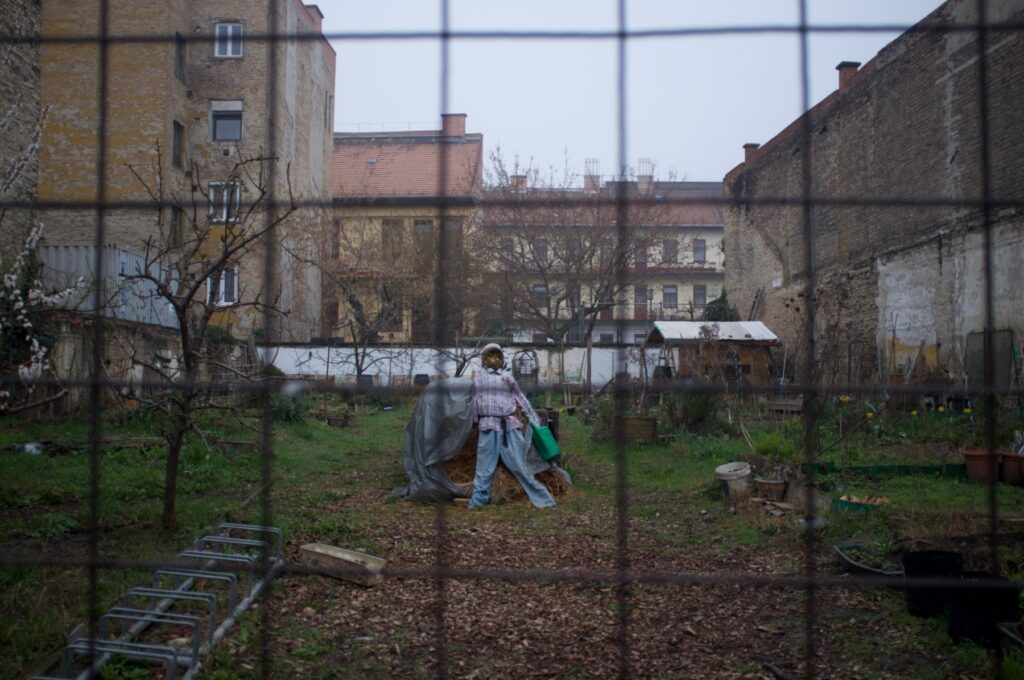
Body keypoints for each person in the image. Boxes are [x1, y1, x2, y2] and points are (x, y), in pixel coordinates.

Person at [469, 343, 556, 509]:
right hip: (488, 424)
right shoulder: (479, 376)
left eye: (497, 355)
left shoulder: (507, 377)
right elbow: (475, 399)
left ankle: (545, 500)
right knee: (484, 468)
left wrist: (534, 420)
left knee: (521, 466)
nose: (494, 359)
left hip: (509, 426)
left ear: (501, 358)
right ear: (484, 359)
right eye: (490, 355)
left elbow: (521, 398)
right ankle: (478, 501)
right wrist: (475, 420)